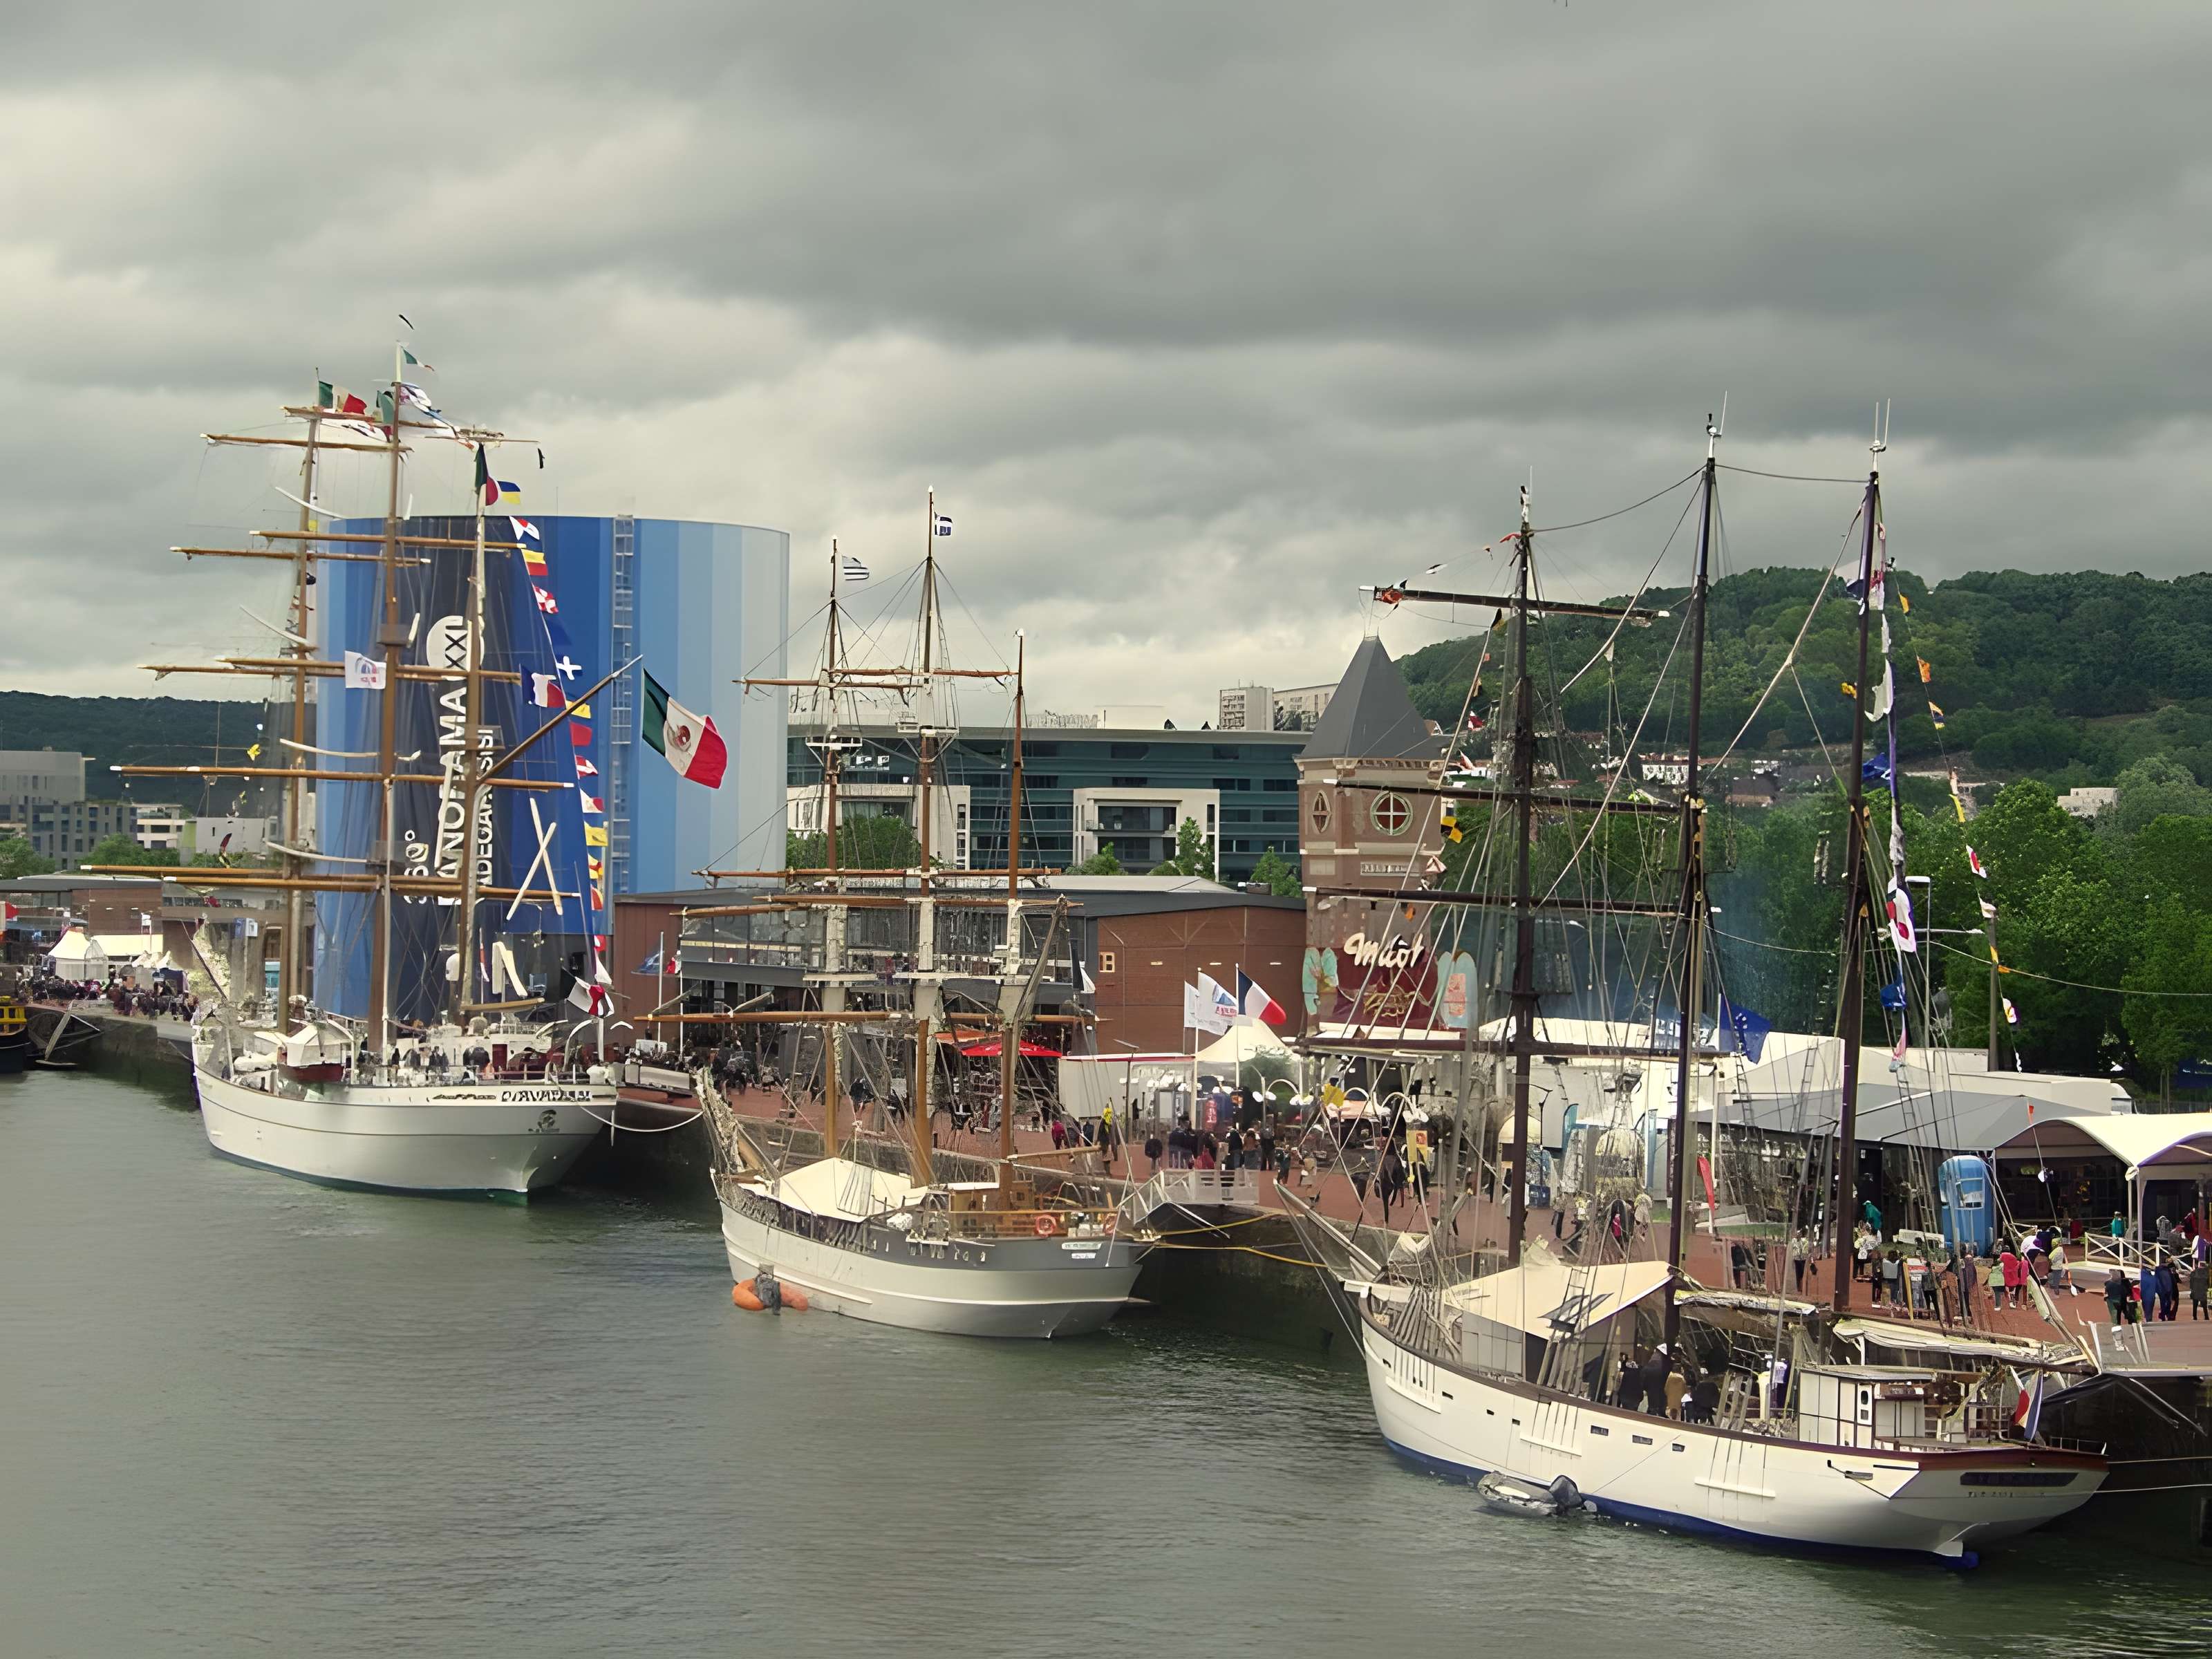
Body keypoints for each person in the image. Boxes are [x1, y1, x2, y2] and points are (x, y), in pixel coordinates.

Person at [2104, 1265, 2133, 1331]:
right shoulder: (2125, 1282)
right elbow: (2129, 1292)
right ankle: (2130, 1327)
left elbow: (2106, 1293)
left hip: (2113, 1301)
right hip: (2122, 1301)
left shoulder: (2107, 1283)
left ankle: (2116, 1329)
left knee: (2115, 1318)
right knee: (2127, 1315)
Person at [1788, 1228, 1811, 1293]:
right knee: (1799, 1275)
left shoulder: (1803, 1241)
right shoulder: (1799, 1241)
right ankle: (1799, 1288)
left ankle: (1800, 1288)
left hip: (1801, 1260)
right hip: (1799, 1260)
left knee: (1800, 1275)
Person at [2191, 1256, 2210, 1321]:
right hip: (2203, 1290)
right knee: (2204, 1305)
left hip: (2195, 1290)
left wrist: (2192, 1289)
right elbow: (2208, 1283)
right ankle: (2206, 1316)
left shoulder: (2194, 1272)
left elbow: (2191, 1282)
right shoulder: (2206, 1273)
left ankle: (2195, 1317)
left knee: (2195, 1304)